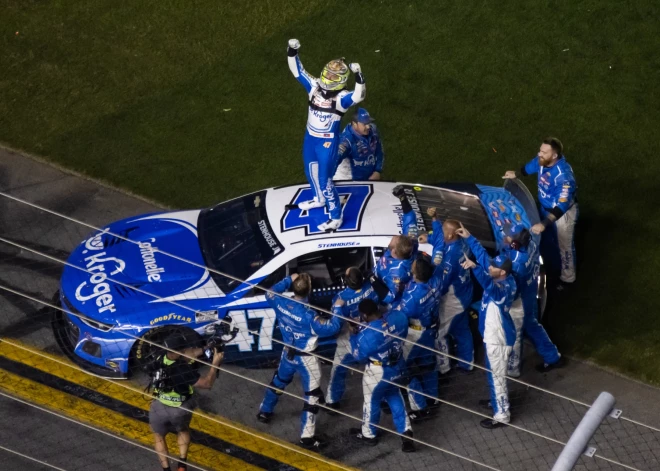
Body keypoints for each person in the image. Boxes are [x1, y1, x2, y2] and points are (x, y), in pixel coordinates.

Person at [287, 38, 366, 232]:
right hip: (310, 139)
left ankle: (336, 217)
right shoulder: (314, 87)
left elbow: (359, 96)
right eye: (328, 73)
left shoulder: (341, 98)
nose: (329, 77)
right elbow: (297, 71)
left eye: (334, 75)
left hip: (327, 144)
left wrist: (359, 76)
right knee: (310, 172)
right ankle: (318, 199)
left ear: (340, 79)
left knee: (325, 180)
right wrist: (292, 50)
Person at [256, 273, 342, 449]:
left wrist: (288, 279)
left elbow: (269, 293)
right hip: (307, 359)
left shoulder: (279, 301)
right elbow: (333, 327)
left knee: (278, 381)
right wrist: (338, 308)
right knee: (312, 397)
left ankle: (265, 411)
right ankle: (307, 437)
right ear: (309, 289)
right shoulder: (310, 316)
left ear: (293, 288)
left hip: (287, 353)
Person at [456, 225, 517, 429]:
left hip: (497, 340)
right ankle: (496, 401)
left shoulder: (500, 289)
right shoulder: (505, 277)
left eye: (493, 267)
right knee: (494, 376)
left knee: (497, 378)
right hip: (496, 336)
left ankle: (502, 414)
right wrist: (471, 238)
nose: (488, 267)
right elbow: (486, 263)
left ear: (501, 272)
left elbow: (486, 282)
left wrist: (474, 268)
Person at [503, 137, 578, 287]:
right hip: (545, 207)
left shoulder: (563, 177)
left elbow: (562, 206)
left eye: (544, 152)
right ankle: (549, 259)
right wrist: (516, 174)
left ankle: (568, 278)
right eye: (540, 150)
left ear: (554, 156)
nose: (539, 154)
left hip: (562, 215)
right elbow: (532, 166)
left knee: (565, 247)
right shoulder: (543, 160)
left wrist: (544, 223)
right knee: (548, 239)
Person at [149, 333, 224, 471]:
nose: (186, 351)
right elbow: (207, 384)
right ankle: (182, 464)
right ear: (178, 352)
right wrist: (214, 363)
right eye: (183, 350)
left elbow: (189, 354)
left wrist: (207, 347)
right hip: (180, 408)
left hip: (158, 406)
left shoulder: (159, 356)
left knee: (158, 436)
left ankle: (166, 469)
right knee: (183, 430)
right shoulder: (183, 370)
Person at [349, 299, 415, 452]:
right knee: (395, 396)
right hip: (397, 365)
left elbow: (357, 356)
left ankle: (368, 434)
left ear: (364, 316)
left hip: (377, 373)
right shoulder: (397, 317)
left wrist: (353, 334)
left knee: (371, 402)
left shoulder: (366, 336)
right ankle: (406, 433)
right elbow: (404, 330)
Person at [501, 223, 564, 375]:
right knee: (533, 325)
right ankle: (553, 356)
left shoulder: (516, 263)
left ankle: (513, 368)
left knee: (515, 335)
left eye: (509, 235)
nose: (506, 236)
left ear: (516, 243)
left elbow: (512, 288)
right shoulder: (532, 244)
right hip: (530, 292)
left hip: (520, 301)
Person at [424, 208, 474, 375]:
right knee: (461, 328)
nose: (440, 234)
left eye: (443, 231)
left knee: (439, 333)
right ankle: (467, 363)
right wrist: (430, 234)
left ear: (451, 236)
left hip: (454, 299)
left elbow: (442, 285)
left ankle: (443, 368)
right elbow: (441, 237)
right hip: (465, 291)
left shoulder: (450, 257)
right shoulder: (463, 242)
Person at [395, 255, 442, 422]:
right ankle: (432, 398)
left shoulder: (412, 297)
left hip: (415, 334)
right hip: (430, 330)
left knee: (403, 369)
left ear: (415, 274)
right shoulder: (436, 279)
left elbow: (400, 316)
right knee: (428, 365)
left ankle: (420, 408)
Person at [325, 267, 380, 412]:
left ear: (346, 281)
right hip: (373, 332)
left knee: (338, 368)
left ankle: (332, 401)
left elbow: (335, 321)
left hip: (351, 336)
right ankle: (385, 399)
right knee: (380, 368)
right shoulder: (370, 286)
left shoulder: (340, 297)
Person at [371, 186, 419, 304]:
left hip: (382, 288)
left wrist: (373, 280)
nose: (389, 242)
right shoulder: (410, 240)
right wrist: (402, 197)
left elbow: (390, 297)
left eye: (391, 244)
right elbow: (410, 217)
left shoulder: (397, 274)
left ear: (394, 253)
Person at [332, 108, 384, 181]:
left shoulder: (373, 131)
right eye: (365, 124)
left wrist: (377, 171)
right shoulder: (346, 140)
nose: (368, 126)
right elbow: (334, 160)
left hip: (369, 179)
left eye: (369, 122)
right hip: (348, 181)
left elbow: (379, 152)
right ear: (354, 124)